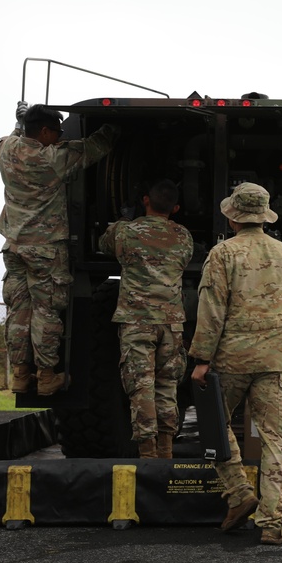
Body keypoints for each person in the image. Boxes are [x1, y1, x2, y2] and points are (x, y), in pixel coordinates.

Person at [190, 182, 282, 545]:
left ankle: (239, 493)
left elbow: (211, 309)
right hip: (275, 358)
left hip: (231, 358)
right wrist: (277, 340)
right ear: (265, 216)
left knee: (214, 425)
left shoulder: (222, 254)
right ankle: (274, 522)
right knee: (277, 439)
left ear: (232, 215)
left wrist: (201, 359)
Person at [0, 102, 120, 396]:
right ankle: (47, 375)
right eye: (57, 131)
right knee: (46, 312)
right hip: (45, 250)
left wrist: (20, 119)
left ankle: (20, 375)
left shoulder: (5, 148)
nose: (60, 136)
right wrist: (115, 126)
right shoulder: (51, 160)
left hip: (14, 247)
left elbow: (15, 133)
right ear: (43, 131)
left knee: (19, 312)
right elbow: (95, 147)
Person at [98, 180, 194, 459]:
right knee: (167, 386)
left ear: (145, 200)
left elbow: (104, 244)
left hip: (137, 322)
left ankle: (148, 453)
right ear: (175, 208)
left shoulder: (126, 232)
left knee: (141, 385)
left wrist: (123, 220)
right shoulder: (183, 236)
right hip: (171, 324)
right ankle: (166, 450)